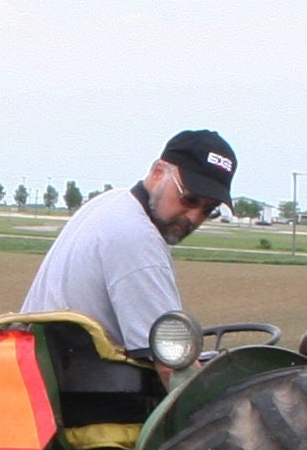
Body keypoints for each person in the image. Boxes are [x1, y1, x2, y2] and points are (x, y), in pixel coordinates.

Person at [20, 129, 237, 366]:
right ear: (158, 172)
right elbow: (171, 366)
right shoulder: (138, 238)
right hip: (78, 382)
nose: (194, 217)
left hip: (41, 367)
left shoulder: (111, 202)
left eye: (208, 209)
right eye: (189, 199)